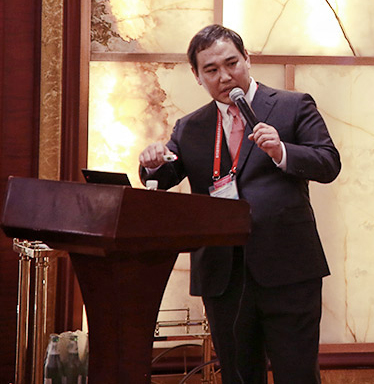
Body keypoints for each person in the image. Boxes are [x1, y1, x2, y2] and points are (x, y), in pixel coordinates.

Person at [139, 24, 340, 383]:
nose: (225, 76)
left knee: (298, 375)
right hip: (223, 277)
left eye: (232, 63)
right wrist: (152, 163)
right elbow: (164, 174)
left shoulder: (292, 106)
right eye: (211, 70)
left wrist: (282, 151)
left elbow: (328, 163)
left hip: (288, 270)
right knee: (238, 376)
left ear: (247, 58)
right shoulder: (190, 127)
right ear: (197, 76)